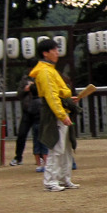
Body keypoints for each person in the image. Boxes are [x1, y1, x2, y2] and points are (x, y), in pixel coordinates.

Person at [30, 38, 78, 191]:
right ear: (45, 53)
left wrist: (68, 101)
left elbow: (58, 93)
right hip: (54, 113)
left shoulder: (49, 70)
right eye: (54, 50)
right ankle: (51, 181)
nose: (57, 52)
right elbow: (51, 96)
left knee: (66, 148)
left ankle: (63, 178)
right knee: (56, 147)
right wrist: (62, 115)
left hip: (60, 109)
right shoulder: (45, 72)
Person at [9, 77, 47, 170]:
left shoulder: (42, 77)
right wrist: (25, 90)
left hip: (38, 112)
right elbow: (19, 94)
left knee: (40, 137)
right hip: (27, 111)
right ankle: (18, 157)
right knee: (22, 134)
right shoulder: (24, 80)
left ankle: (42, 158)